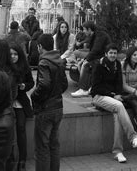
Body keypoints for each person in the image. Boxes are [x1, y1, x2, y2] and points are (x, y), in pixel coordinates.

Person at [91, 44, 137, 164]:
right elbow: (95, 87)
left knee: (118, 117)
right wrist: (112, 95)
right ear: (106, 54)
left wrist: (117, 94)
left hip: (113, 99)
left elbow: (119, 85)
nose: (113, 55)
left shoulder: (117, 65)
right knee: (119, 106)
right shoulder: (99, 65)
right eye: (110, 53)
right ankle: (133, 137)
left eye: (115, 53)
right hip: (99, 97)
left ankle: (117, 152)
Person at [31, 33, 68, 171]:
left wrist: (34, 96)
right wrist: (56, 94)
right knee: (54, 145)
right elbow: (64, 84)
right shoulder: (59, 60)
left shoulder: (44, 62)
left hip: (45, 109)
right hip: (58, 107)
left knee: (42, 147)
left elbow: (44, 84)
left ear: (40, 46)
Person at [10, 44, 34, 171]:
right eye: (11, 54)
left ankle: (22, 160)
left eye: (15, 54)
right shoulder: (4, 67)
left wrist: (25, 86)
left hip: (20, 102)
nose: (13, 57)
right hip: (7, 102)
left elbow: (31, 82)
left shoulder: (25, 67)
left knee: (21, 127)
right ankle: (9, 158)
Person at [71, 21, 111, 97]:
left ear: (89, 29)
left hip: (105, 58)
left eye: (84, 29)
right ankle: (87, 87)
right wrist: (85, 59)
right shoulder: (95, 35)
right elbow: (92, 51)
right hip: (100, 57)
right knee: (83, 63)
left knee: (86, 65)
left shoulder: (100, 35)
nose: (83, 31)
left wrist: (86, 60)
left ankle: (83, 89)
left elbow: (96, 50)